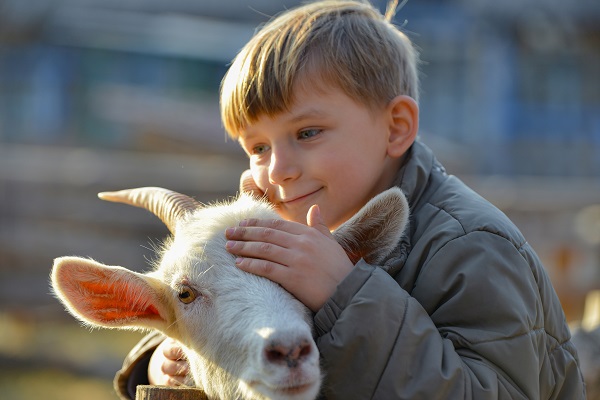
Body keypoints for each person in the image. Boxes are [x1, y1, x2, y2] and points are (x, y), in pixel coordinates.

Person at [114, 0, 586, 398]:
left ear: (396, 127)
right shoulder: (301, 224)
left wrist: (347, 293)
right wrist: (172, 360)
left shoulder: (472, 246)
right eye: (257, 147)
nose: (277, 168)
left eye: (308, 132)